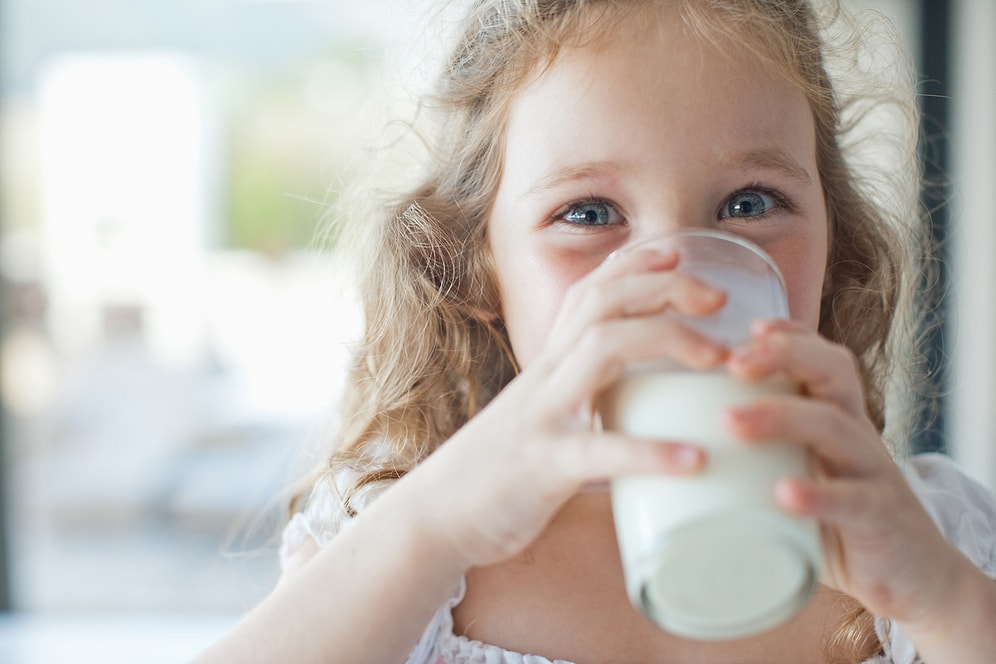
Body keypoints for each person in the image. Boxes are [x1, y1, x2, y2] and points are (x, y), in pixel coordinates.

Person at [197, 0, 996, 662]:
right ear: (477, 271)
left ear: (834, 239)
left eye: (750, 204)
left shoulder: (930, 541)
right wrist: (434, 526)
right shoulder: (394, 563)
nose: (678, 280)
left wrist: (942, 599)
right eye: (588, 214)